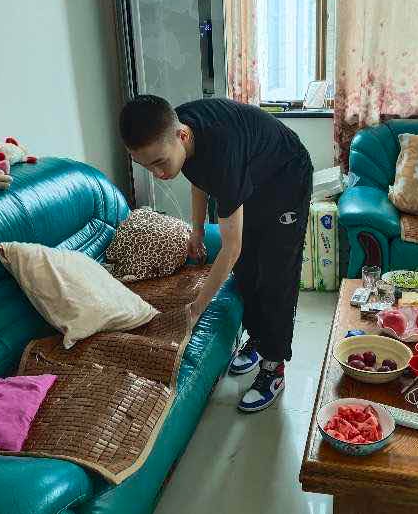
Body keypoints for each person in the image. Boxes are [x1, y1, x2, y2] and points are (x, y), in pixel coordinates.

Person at [119, 95, 313, 412]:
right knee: (247, 268)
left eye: (160, 162)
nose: (157, 174)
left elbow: (229, 248)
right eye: (147, 166)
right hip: (250, 175)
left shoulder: (222, 152)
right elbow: (199, 177)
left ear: (182, 136)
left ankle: (274, 366)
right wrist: (196, 230)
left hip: (286, 175)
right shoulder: (178, 132)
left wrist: (196, 309)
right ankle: (257, 339)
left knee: (275, 272)